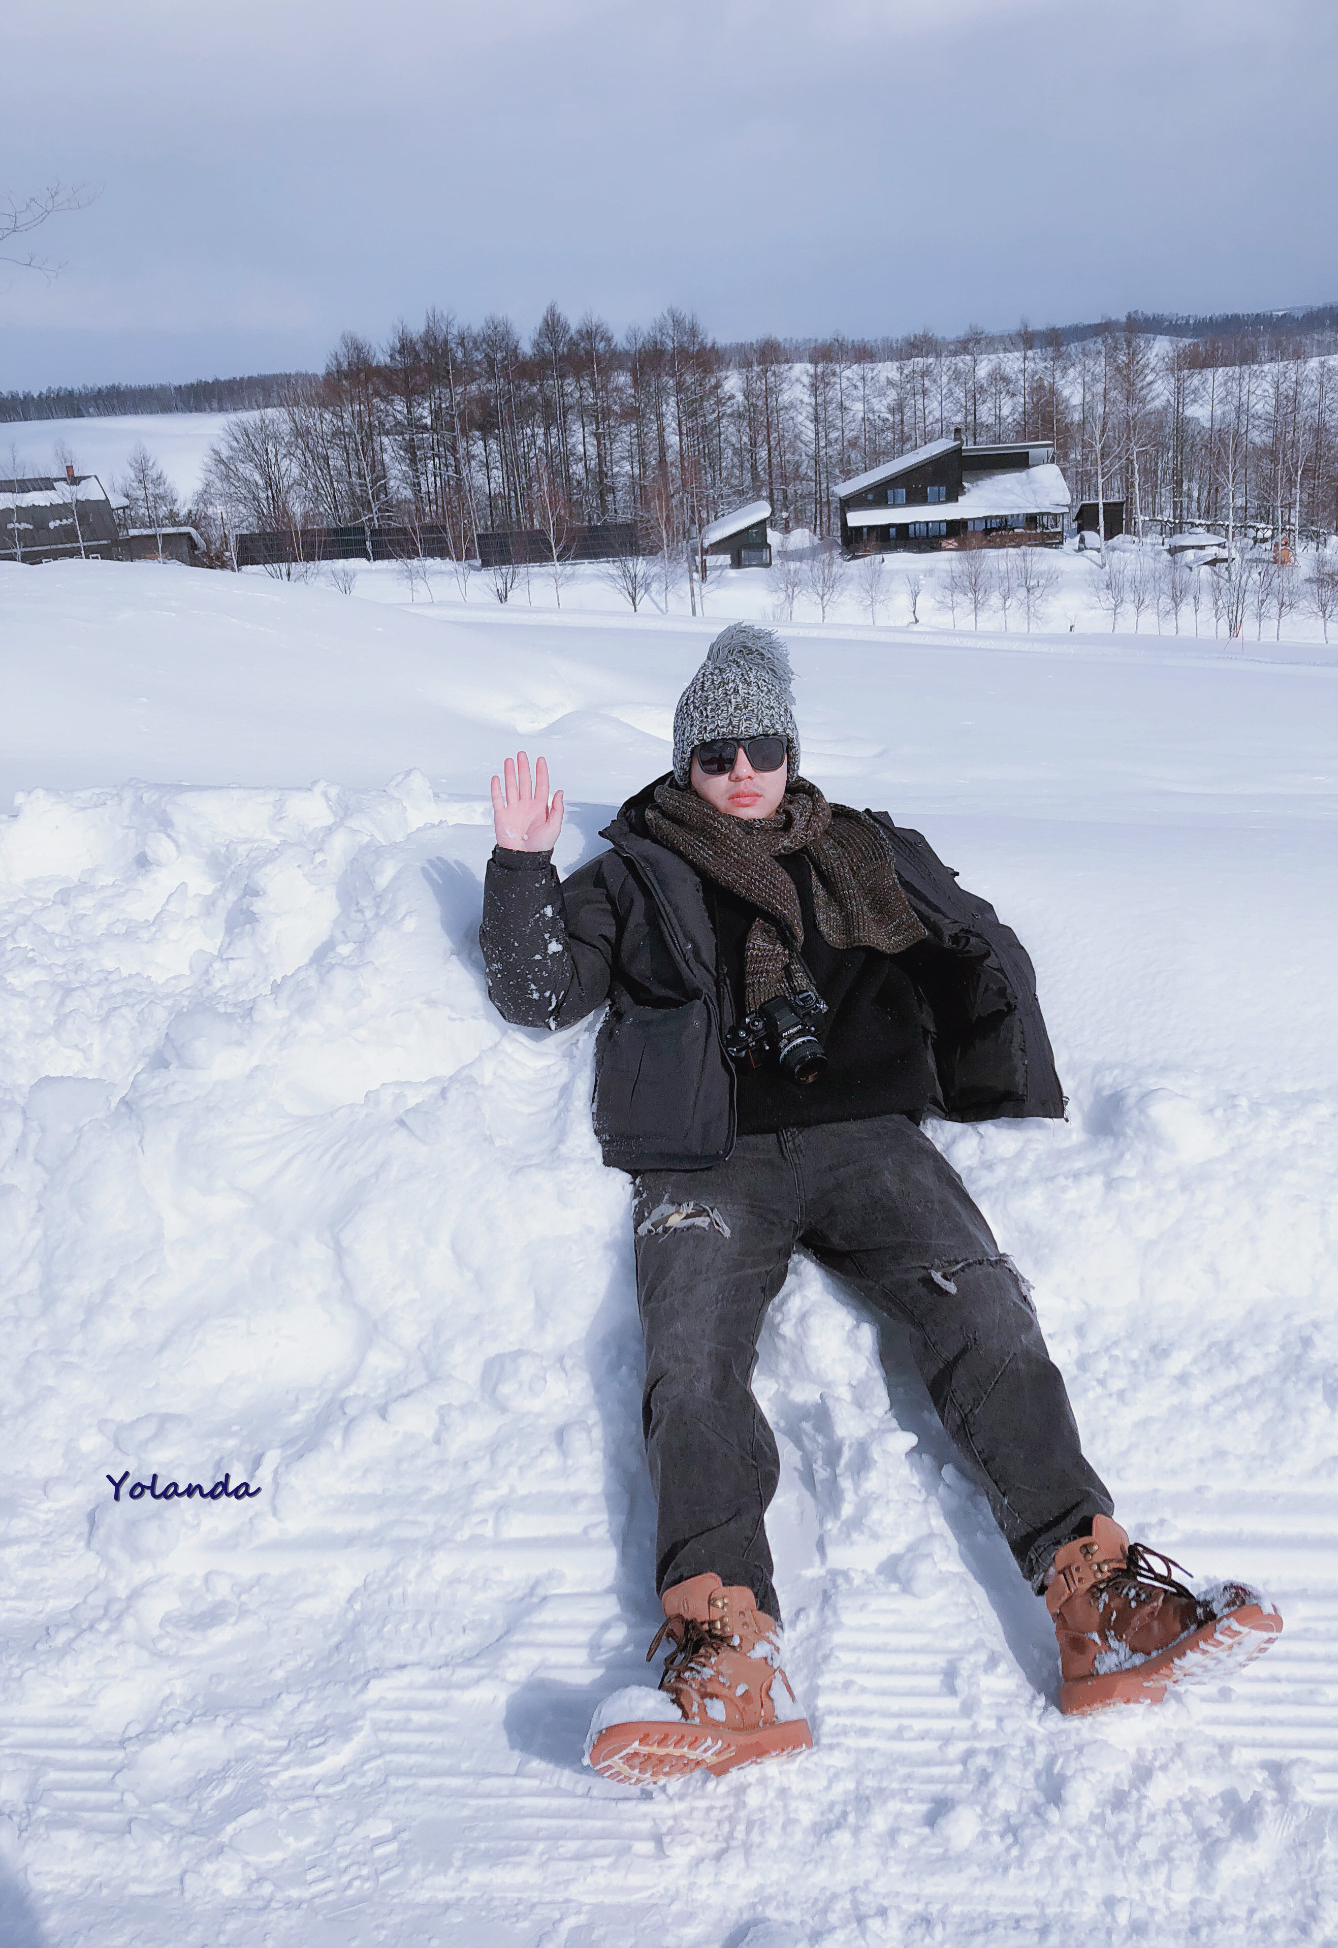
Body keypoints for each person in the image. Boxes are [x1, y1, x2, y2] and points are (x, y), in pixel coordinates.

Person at [480, 625, 1280, 1785]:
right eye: (716, 750)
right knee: (693, 1367)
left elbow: (969, 939)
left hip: (872, 1142)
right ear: (683, 759)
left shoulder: (863, 847)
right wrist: (521, 869)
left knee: (986, 1311)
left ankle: (1098, 1599)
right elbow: (537, 993)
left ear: (793, 749)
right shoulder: (640, 869)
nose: (742, 767)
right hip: (708, 1156)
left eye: (763, 744)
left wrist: (989, 1040)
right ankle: (726, 1660)